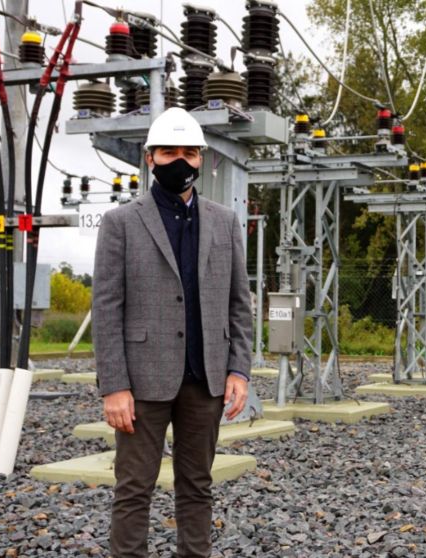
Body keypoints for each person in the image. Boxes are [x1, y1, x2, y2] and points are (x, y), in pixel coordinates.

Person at [93, 107, 255, 558]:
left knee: (198, 486)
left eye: (189, 152)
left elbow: (239, 302)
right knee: (133, 489)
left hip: (205, 378)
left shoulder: (223, 221)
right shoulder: (121, 223)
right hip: (142, 382)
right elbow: (106, 308)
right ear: (150, 158)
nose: (179, 161)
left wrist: (238, 369)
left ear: (203, 159)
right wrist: (114, 386)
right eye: (169, 152)